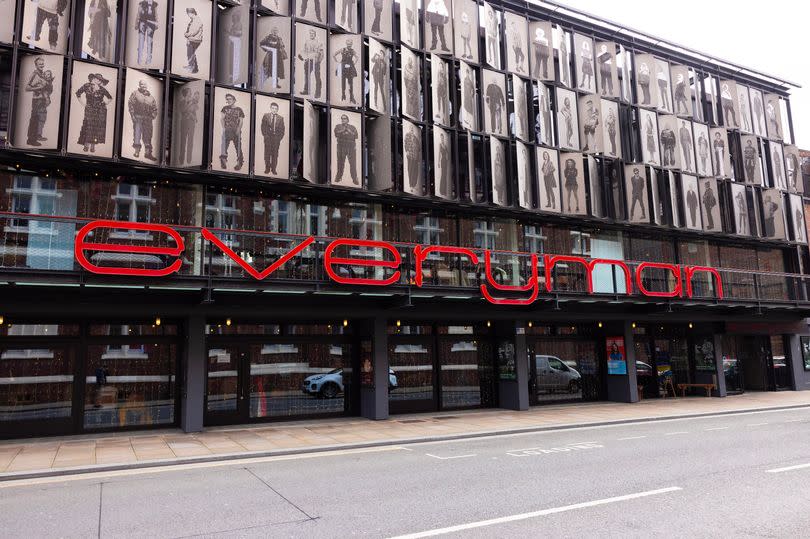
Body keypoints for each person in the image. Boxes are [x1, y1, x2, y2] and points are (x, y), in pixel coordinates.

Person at [75, 72, 112, 153]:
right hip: (89, 109)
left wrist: (104, 103)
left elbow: (110, 98)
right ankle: (86, 145)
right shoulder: (86, 86)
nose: (98, 81)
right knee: (88, 126)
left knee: (96, 128)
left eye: (100, 80)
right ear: (94, 78)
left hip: (100, 111)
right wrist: (83, 104)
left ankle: (93, 146)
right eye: (98, 79)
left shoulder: (102, 89)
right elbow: (78, 93)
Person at [24, 57, 53, 146]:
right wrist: (39, 87)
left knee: (41, 119)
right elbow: (27, 88)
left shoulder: (42, 74)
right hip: (36, 100)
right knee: (34, 119)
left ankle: (37, 136)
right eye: (40, 64)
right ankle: (31, 140)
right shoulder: (34, 74)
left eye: (42, 64)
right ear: (36, 65)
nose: (42, 65)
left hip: (42, 100)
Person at [128, 80, 158, 161]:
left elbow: (155, 109)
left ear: (147, 86)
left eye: (145, 84)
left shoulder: (151, 97)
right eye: (141, 84)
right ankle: (136, 152)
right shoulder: (135, 93)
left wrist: (152, 116)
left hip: (147, 120)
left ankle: (148, 153)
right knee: (137, 134)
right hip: (138, 118)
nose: (143, 86)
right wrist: (132, 115)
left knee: (148, 136)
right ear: (139, 85)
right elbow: (130, 104)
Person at [219, 93, 244, 170]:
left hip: (236, 130)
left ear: (234, 100)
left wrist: (239, 129)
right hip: (227, 130)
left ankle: (240, 162)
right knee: (224, 146)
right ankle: (223, 160)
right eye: (227, 99)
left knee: (238, 147)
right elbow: (222, 118)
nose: (228, 100)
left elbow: (241, 121)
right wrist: (224, 128)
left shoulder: (239, 109)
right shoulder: (225, 108)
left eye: (230, 99)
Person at [176, 86, 199, 165]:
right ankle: (181, 160)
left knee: (190, 141)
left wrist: (194, 117)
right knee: (183, 141)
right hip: (184, 123)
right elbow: (183, 110)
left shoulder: (193, 101)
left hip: (191, 123)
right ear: (186, 93)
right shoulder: (181, 102)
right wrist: (190, 104)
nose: (191, 93)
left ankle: (189, 160)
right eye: (189, 92)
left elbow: (196, 109)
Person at [334, 114, 359, 185]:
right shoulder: (338, 126)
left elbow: (356, 136)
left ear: (347, 120)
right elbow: (336, 134)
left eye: (344, 118)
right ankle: (338, 177)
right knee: (340, 163)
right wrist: (343, 130)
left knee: (353, 163)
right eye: (342, 118)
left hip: (351, 146)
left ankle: (354, 178)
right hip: (341, 146)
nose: (343, 120)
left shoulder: (352, 127)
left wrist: (349, 131)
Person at [261, 102, 285, 175]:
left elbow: (282, 130)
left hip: (276, 139)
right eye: (273, 108)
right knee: (267, 154)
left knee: (275, 154)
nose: (274, 110)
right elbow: (263, 127)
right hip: (268, 138)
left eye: (276, 108)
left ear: (277, 109)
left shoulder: (280, 118)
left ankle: (274, 169)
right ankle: (267, 168)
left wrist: (278, 138)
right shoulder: (266, 116)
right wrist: (265, 136)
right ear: (270, 108)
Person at [298, 29, 323, 98]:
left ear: (315, 35)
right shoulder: (307, 42)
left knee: (317, 77)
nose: (311, 35)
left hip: (315, 61)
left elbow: (322, 54)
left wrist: (318, 61)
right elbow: (304, 50)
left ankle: (318, 93)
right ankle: (306, 91)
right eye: (310, 34)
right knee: (307, 76)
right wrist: (301, 55)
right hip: (308, 61)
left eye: (313, 34)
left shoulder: (318, 43)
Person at [333, 39, 358, 104]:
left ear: (352, 44)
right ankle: (343, 95)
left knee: (350, 83)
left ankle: (351, 97)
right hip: (343, 67)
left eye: (350, 44)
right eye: (348, 44)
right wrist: (337, 62)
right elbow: (334, 54)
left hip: (350, 67)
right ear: (346, 44)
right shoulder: (342, 49)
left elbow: (357, 58)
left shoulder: (352, 51)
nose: (349, 45)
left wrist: (353, 64)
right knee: (343, 82)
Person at [135, 0, 158, 66]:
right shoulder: (142, 3)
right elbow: (138, 13)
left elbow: (156, 14)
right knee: (141, 41)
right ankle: (139, 60)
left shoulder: (155, 4)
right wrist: (136, 23)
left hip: (151, 24)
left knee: (149, 42)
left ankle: (148, 60)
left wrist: (156, 23)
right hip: (142, 23)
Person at [184, 8, 203, 74]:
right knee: (191, 53)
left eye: (188, 13)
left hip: (195, 39)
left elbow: (195, 31)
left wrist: (187, 34)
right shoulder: (193, 20)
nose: (188, 15)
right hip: (192, 39)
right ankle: (192, 67)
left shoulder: (197, 20)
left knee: (191, 54)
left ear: (192, 13)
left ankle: (193, 68)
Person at [225, 11, 243, 84]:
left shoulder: (239, 24)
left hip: (236, 42)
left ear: (237, 17)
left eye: (234, 16)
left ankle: (234, 77)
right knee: (231, 58)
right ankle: (231, 76)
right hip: (232, 42)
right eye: (233, 17)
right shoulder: (233, 25)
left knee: (235, 59)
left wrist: (229, 32)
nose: (233, 18)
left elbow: (239, 33)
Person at [404, 125, 421, 193]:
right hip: (410, 156)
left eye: (412, 129)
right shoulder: (407, 135)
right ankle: (411, 185)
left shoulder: (415, 137)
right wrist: (407, 151)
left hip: (415, 157)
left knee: (415, 171)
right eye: (411, 128)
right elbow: (406, 144)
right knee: (410, 170)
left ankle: (414, 185)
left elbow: (419, 148)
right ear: (409, 129)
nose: (412, 130)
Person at [438, 132, 450, 197]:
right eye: (441, 138)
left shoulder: (445, 145)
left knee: (445, 176)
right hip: (442, 160)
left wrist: (448, 159)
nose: (442, 139)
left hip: (445, 161)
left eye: (443, 138)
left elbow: (448, 154)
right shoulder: (440, 145)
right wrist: (438, 162)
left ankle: (444, 191)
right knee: (443, 175)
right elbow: (439, 154)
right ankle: (441, 191)